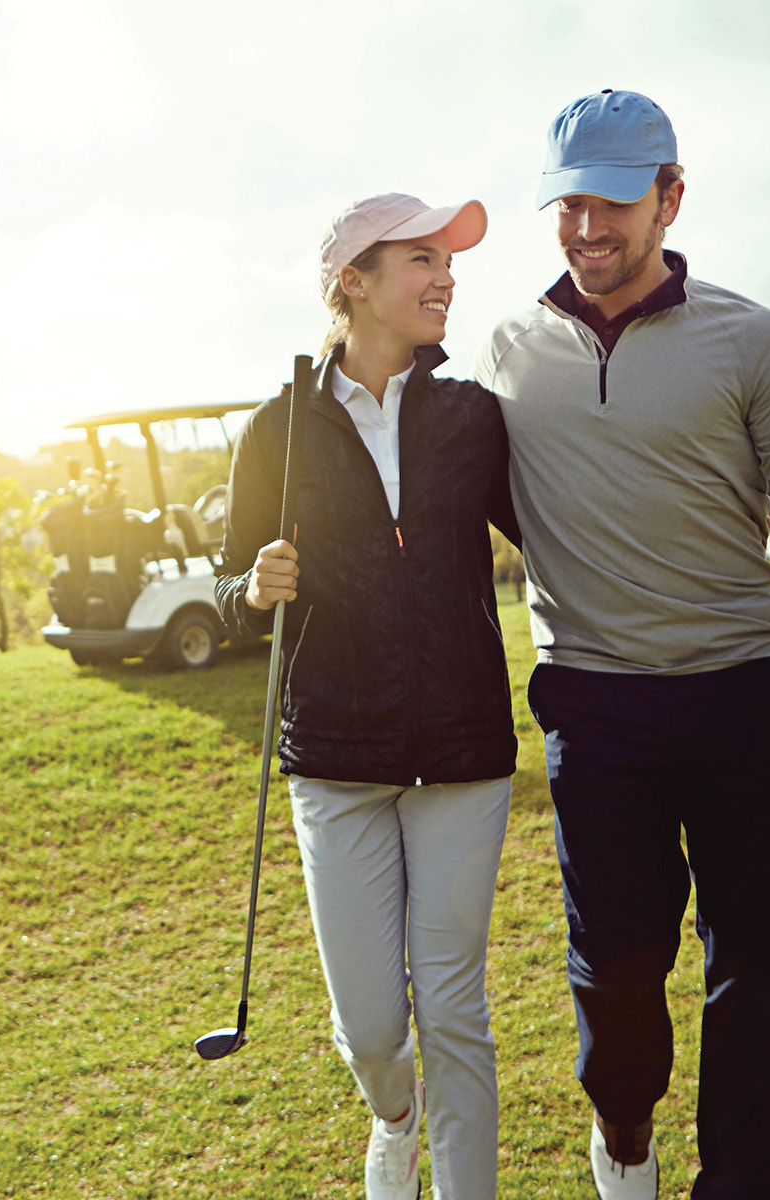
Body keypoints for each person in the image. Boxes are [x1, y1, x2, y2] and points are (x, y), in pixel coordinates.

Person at [473, 91, 770, 1200]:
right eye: (568, 205)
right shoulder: (508, 349)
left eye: (614, 203)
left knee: (761, 974)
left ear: (671, 197)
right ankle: (624, 1132)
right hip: (596, 708)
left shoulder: (757, 341)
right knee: (616, 974)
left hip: (744, 701)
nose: (588, 229)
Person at [216, 193, 523, 1200]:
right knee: (374, 1027)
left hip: (465, 755)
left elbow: (557, 533)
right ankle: (393, 1116)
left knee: (455, 1012)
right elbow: (228, 583)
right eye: (421, 259)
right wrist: (251, 586)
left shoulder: (472, 416)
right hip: (336, 759)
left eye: (449, 261)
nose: (446, 278)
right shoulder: (277, 430)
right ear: (352, 281)